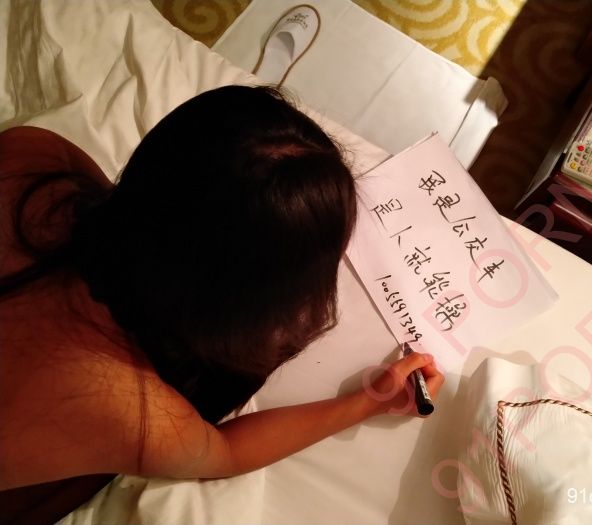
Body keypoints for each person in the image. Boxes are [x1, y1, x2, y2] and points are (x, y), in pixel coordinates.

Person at [0, 86, 444, 496]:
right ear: (236, 306)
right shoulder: (126, 408)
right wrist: (367, 402)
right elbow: (225, 453)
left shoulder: (35, 151)